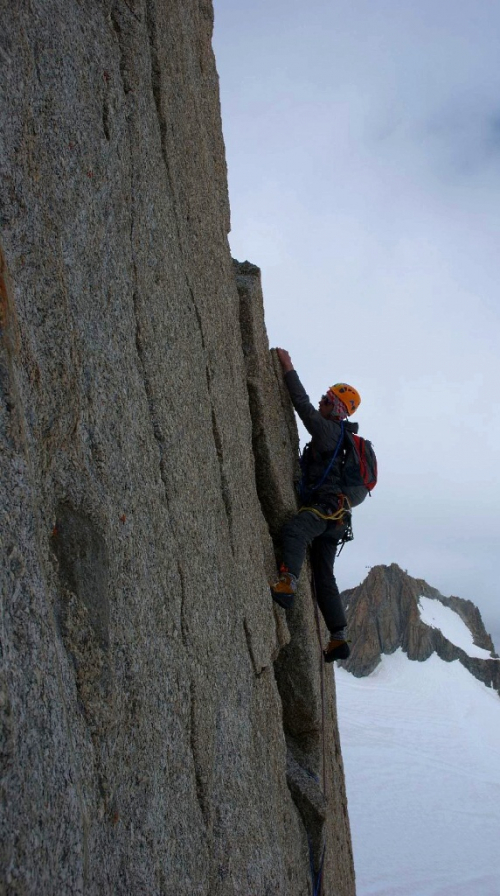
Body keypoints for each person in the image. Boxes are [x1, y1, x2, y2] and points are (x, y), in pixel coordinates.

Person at [270, 348, 361, 663]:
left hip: (324, 508)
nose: (321, 402)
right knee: (324, 576)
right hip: (337, 517)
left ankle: (287, 583)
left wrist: (288, 368)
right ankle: (337, 638)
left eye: (326, 399)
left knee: (295, 531)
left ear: (335, 408)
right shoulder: (340, 437)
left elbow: (302, 407)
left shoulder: (327, 430)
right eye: (324, 397)